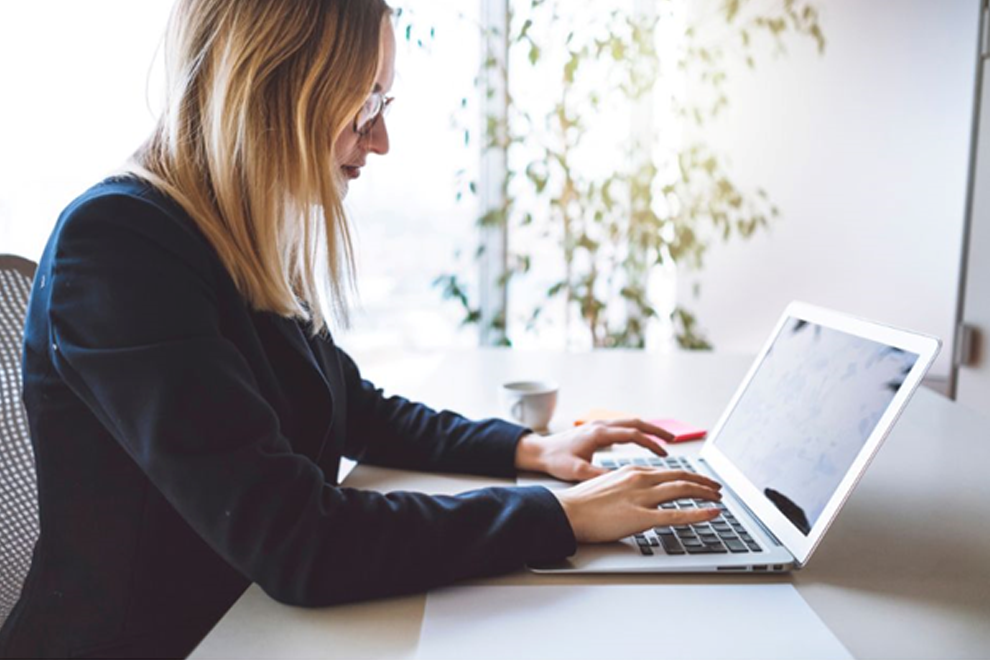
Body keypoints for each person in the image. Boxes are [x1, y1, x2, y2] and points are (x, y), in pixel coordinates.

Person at [0, 1, 722, 657]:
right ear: (273, 91)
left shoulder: (230, 232)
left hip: (252, 627)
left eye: (385, 100)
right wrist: (557, 517)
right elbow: (299, 542)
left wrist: (532, 449)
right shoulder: (122, 247)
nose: (380, 139)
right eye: (365, 103)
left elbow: (352, 405)